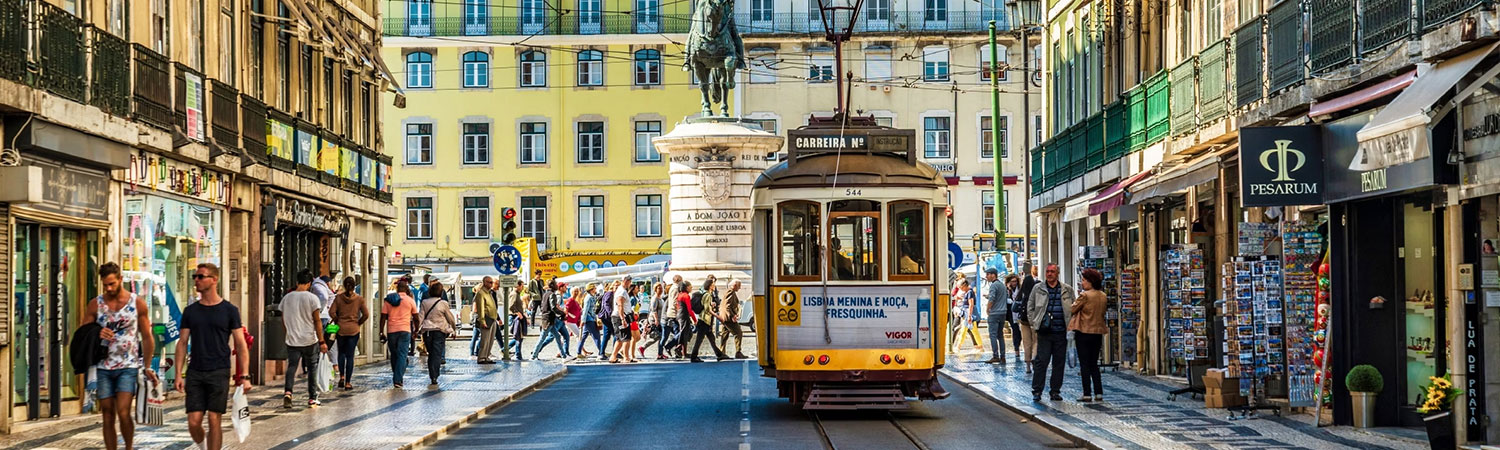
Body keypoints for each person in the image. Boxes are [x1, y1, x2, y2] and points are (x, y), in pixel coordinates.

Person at [175, 263, 251, 450]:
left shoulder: (229, 310)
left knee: (214, 418)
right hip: (195, 371)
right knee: (194, 421)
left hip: (219, 370)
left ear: (214, 279)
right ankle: (202, 445)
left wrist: (245, 375)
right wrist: (178, 374)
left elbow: (240, 344)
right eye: (195, 276)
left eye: (201, 276)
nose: (197, 280)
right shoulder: (190, 311)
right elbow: (182, 342)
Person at [89, 262, 157, 450]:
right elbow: (83, 333)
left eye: (112, 283)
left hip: (128, 366)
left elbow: (147, 337)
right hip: (103, 367)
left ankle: (128, 447)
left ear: (120, 279)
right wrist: (97, 333)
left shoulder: (137, 304)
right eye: (105, 285)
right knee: (107, 413)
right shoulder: (96, 304)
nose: (109, 288)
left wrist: (148, 366)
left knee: (124, 411)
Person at [1026, 263, 1075, 402]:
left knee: (1059, 363)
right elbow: (1030, 307)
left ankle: (1055, 391)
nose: (1049, 274)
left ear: (1057, 273)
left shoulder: (1067, 289)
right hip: (1044, 332)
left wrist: (1070, 326)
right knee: (1042, 362)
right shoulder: (1038, 288)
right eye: (1047, 271)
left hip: (1061, 332)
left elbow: (1074, 308)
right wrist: (1034, 323)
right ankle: (1037, 390)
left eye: (1052, 271)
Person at [280, 270, 327, 408]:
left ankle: (288, 392)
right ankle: (312, 397)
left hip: (292, 340)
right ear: (309, 283)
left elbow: (284, 319)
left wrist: (289, 332)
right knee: (312, 367)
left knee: (292, 366)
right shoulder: (312, 299)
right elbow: (317, 321)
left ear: (297, 282)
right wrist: (322, 341)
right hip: (309, 340)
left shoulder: (287, 298)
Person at [1071, 268, 1109, 402]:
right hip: (1097, 332)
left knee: (1084, 364)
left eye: (1084, 280)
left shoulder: (1085, 295)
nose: (1082, 283)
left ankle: (1087, 393)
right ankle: (1099, 392)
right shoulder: (1103, 296)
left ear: (1090, 281)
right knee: (1094, 363)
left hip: (1084, 332)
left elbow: (1073, 309)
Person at [331, 277, 369, 390]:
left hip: (341, 329)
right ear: (354, 285)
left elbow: (331, 312)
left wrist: (338, 320)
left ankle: (341, 376)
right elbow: (366, 314)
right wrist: (358, 323)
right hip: (353, 330)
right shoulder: (359, 299)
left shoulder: (338, 298)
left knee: (341, 354)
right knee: (350, 356)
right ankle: (348, 382)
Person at [381, 281, 419, 388]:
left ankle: (397, 376)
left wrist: (381, 331)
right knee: (402, 355)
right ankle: (398, 379)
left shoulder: (389, 300)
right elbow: (416, 317)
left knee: (394, 354)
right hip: (405, 330)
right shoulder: (410, 301)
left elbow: (383, 317)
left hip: (391, 331)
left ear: (397, 289)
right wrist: (416, 330)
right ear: (406, 289)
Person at [418, 283, 457, 388]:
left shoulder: (424, 302)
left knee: (431, 353)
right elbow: (450, 318)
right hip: (439, 331)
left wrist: (415, 330)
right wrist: (454, 329)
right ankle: (434, 375)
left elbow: (420, 317)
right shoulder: (443, 303)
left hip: (427, 332)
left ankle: (433, 375)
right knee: (437, 354)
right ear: (441, 292)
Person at [689, 276, 730, 362]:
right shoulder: (708, 295)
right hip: (704, 320)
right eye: (713, 284)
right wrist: (718, 317)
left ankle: (719, 354)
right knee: (699, 340)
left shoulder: (707, 295)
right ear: (709, 286)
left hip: (704, 320)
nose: (714, 285)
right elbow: (708, 309)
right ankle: (693, 356)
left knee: (711, 338)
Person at [532, 288, 571, 360]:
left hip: (548, 320)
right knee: (542, 338)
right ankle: (534, 356)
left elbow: (544, 306)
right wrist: (562, 313)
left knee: (557, 336)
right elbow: (554, 307)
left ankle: (564, 356)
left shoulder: (545, 294)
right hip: (549, 320)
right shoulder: (552, 295)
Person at [983, 268, 1010, 364]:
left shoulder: (994, 285)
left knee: (993, 335)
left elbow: (992, 298)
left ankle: (995, 356)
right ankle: (1003, 356)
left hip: (994, 313)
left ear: (993, 275)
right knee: (1000, 336)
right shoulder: (1002, 285)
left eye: (988, 274)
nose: (986, 277)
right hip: (1003, 313)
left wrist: (988, 309)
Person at [1017, 263, 1040, 373]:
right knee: (1035, 341)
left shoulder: (1023, 291)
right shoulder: (1037, 289)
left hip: (1023, 319)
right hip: (1034, 319)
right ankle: (1034, 359)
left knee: (1026, 342)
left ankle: (1027, 366)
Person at [949, 279, 982, 354]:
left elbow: (971, 304)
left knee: (973, 330)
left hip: (969, 313)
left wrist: (969, 316)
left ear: (964, 285)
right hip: (967, 313)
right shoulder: (968, 292)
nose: (960, 289)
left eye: (960, 287)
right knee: (965, 330)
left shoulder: (970, 292)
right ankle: (958, 347)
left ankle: (980, 347)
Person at [1005, 274, 1031, 369]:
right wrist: (1008, 291)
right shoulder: (1007, 290)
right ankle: (1017, 350)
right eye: (1012, 281)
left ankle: (1025, 354)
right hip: (1012, 315)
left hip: (1020, 315)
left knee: (1023, 335)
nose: (1014, 283)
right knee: (1015, 332)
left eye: (1015, 281)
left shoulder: (1021, 290)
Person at [473, 277, 500, 364]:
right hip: (486, 319)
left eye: (492, 282)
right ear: (484, 283)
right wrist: (482, 321)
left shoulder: (489, 293)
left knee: (490, 340)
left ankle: (487, 356)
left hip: (493, 319)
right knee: (485, 340)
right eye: (489, 282)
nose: (491, 284)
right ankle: (481, 357)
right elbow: (480, 308)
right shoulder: (481, 293)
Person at [718, 280, 747, 359]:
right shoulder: (730, 292)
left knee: (724, 335)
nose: (740, 288)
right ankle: (738, 352)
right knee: (738, 333)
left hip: (724, 317)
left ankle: (721, 352)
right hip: (728, 318)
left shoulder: (729, 292)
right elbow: (727, 306)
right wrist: (732, 316)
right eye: (739, 286)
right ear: (734, 285)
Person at [578, 284, 603, 357]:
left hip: (590, 319)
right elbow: (585, 310)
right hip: (589, 319)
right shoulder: (588, 298)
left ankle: (578, 352)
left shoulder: (592, 297)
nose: (596, 289)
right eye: (594, 288)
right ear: (591, 289)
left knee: (583, 336)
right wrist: (583, 320)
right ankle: (601, 351)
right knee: (596, 336)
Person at [506, 281, 529, 360]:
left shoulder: (517, 294)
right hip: (514, 317)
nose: (522, 288)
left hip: (519, 317)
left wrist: (523, 315)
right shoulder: (514, 294)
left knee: (518, 337)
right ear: (518, 286)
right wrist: (517, 313)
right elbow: (511, 306)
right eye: (522, 286)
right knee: (518, 337)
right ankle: (517, 355)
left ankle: (505, 350)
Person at [646, 282, 669, 359]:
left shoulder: (660, 298)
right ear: (655, 289)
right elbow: (653, 310)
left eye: (661, 288)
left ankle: (660, 353)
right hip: (655, 319)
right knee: (659, 336)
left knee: (660, 337)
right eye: (659, 288)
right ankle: (658, 353)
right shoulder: (655, 298)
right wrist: (656, 320)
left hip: (660, 319)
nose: (661, 290)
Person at [674, 280, 696, 359]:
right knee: (684, 333)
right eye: (690, 287)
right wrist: (694, 319)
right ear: (686, 287)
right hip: (684, 315)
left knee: (685, 332)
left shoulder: (680, 295)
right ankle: (680, 348)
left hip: (680, 315)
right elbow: (689, 309)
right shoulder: (686, 296)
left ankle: (683, 351)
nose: (691, 288)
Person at [565, 286, 584, 357]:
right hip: (570, 321)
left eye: (577, 291)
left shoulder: (575, 301)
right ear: (571, 292)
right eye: (575, 291)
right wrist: (570, 315)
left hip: (573, 321)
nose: (576, 293)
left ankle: (582, 351)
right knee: (579, 335)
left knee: (566, 336)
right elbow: (566, 309)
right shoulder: (570, 300)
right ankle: (581, 352)